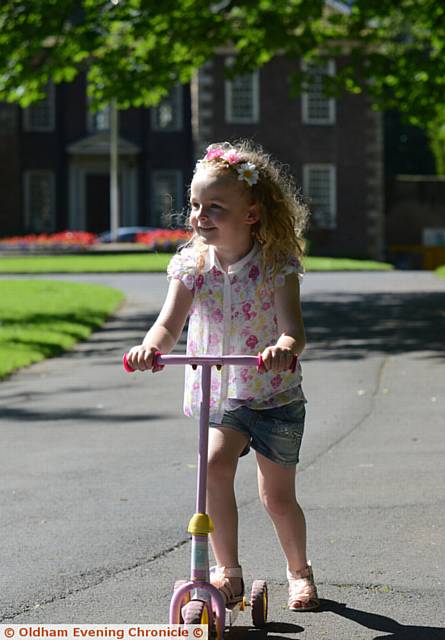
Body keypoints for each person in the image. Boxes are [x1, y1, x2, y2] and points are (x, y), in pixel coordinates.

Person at [126, 140, 319, 611]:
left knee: (277, 498)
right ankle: (226, 573)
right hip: (222, 394)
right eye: (195, 205)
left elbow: (295, 330)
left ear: (252, 213)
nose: (199, 215)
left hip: (273, 395)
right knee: (212, 466)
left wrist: (282, 349)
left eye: (215, 206)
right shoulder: (191, 266)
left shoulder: (276, 265)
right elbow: (170, 324)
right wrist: (151, 347)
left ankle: (300, 572)